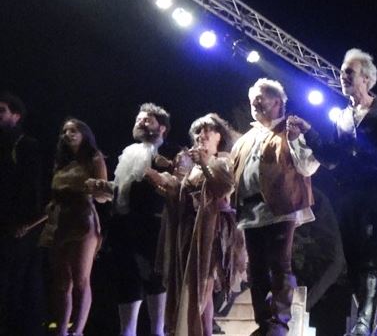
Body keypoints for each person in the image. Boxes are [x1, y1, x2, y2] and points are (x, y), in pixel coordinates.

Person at [305, 49, 377, 336]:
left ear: (367, 79)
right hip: (348, 194)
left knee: (371, 253)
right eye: (342, 71)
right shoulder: (342, 116)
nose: (342, 76)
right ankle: (371, 321)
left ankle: (365, 322)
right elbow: (331, 157)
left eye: (349, 72)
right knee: (353, 258)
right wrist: (308, 132)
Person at [229, 78, 319, 336]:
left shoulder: (289, 130)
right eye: (252, 99)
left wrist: (296, 139)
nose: (255, 103)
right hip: (250, 211)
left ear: (278, 101)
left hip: (280, 207)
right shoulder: (246, 139)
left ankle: (279, 323)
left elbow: (308, 166)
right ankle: (263, 323)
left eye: (261, 98)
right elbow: (233, 173)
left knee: (280, 264)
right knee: (255, 269)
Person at [148, 114, 245, 336]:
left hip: (212, 230)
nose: (202, 135)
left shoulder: (223, 161)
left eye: (208, 130)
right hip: (190, 230)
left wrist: (204, 163)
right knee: (191, 286)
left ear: (219, 136)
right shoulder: (193, 167)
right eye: (198, 131)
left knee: (203, 285)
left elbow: (222, 189)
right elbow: (183, 197)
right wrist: (163, 184)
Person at [86, 103, 174, 336]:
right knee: (126, 280)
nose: (140, 122)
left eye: (147, 120)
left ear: (162, 128)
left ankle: (158, 331)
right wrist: (104, 186)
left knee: (154, 278)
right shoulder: (129, 152)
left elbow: (171, 188)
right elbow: (123, 190)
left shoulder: (169, 153)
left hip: (151, 226)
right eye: (139, 119)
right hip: (122, 226)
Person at [36, 119, 107, 336]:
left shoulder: (94, 158)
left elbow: (103, 194)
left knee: (81, 280)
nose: (69, 134)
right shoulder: (62, 161)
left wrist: (96, 188)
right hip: (60, 222)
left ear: (84, 133)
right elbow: (53, 199)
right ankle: (61, 330)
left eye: (74, 130)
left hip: (83, 220)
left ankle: (78, 330)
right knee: (61, 282)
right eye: (65, 131)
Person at [0, 92, 46, 336]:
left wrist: (25, 223)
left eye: (2, 110)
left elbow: (32, 188)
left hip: (19, 227)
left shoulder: (26, 145)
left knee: (15, 282)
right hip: (7, 224)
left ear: (16, 116)